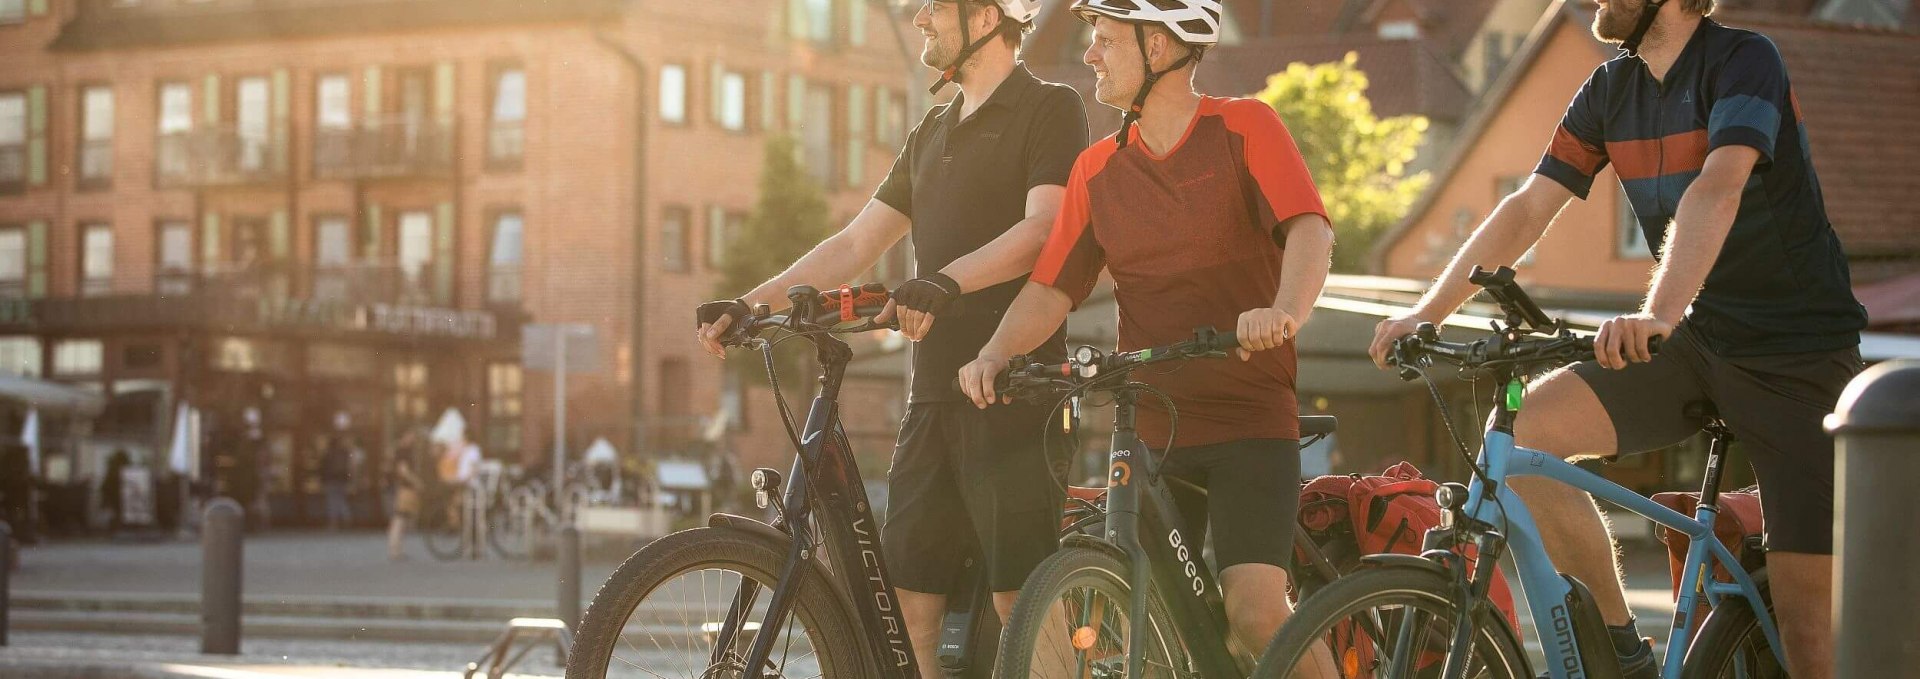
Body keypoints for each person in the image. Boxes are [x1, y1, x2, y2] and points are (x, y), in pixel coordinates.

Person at [1366, 1, 1866, 676]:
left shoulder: (1744, 62)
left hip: (1796, 353)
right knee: (1524, 435)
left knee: (1811, 632)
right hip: (1697, 337)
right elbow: (1529, 205)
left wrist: (1658, 311)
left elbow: (1717, 188)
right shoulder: (1611, 88)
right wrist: (1427, 311)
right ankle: (1620, 650)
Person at [695, 0, 1085, 674]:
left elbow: (1042, 229)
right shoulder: (932, 131)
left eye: (936, 7)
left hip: (1016, 388)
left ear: (988, 17)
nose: (922, 19)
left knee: (1019, 598)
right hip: (932, 393)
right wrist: (749, 302)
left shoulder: (1048, 107)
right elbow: (855, 242)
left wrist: (946, 281)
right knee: (908, 603)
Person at [955, 0, 1337, 667]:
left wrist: (1284, 311)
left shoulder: (1245, 127)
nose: (1090, 54)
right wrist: (994, 352)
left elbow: (1310, 228)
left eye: (1105, 39)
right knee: (1143, 623)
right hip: (1155, 427)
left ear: (1158, 48)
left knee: (1252, 611)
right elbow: (1051, 288)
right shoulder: (1097, 169)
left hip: (1248, 418)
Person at [387, 431, 423, 561]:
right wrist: (416, 481)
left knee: (401, 518)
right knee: (400, 518)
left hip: (403, 487)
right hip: (404, 488)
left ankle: (397, 549)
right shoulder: (403, 451)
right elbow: (403, 470)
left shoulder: (398, 449)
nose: (413, 438)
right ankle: (394, 549)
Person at [320, 413, 355, 531]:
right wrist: (350, 478)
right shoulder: (345, 452)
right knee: (341, 500)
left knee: (332, 502)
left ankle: (333, 524)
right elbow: (349, 465)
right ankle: (347, 519)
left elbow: (323, 467)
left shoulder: (328, 454)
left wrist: (322, 479)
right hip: (342, 479)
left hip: (331, 479)